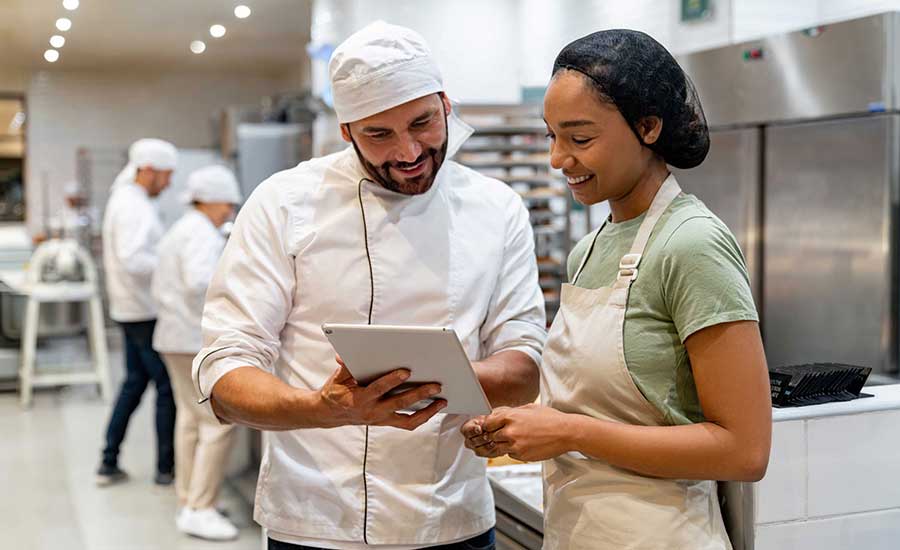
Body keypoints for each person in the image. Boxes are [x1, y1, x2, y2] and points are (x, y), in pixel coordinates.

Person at [193, 21, 547, 550]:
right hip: (315, 522)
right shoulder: (285, 202)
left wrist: (441, 381)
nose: (407, 152)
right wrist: (323, 407)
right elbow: (225, 368)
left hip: (452, 519)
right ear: (346, 132)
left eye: (423, 122)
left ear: (447, 105)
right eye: (379, 134)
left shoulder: (497, 209)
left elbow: (524, 365)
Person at [462, 30, 773, 550]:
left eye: (580, 139)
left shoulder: (692, 243)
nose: (558, 160)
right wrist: (517, 426)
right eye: (551, 137)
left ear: (648, 127)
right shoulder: (590, 249)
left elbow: (744, 450)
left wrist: (568, 432)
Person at [152, 166, 242, 541]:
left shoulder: (185, 227)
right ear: (214, 199)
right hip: (190, 339)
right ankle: (201, 508)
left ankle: (190, 499)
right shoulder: (201, 233)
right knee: (219, 422)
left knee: (190, 421)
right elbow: (199, 283)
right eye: (228, 205)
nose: (229, 211)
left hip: (173, 337)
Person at [97, 138, 178, 487]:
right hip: (142, 312)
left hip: (129, 309)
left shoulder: (128, 199)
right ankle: (166, 469)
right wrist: (172, 264)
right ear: (147, 170)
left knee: (133, 384)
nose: (169, 183)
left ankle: (108, 460)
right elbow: (134, 260)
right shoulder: (133, 205)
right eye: (166, 176)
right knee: (167, 388)